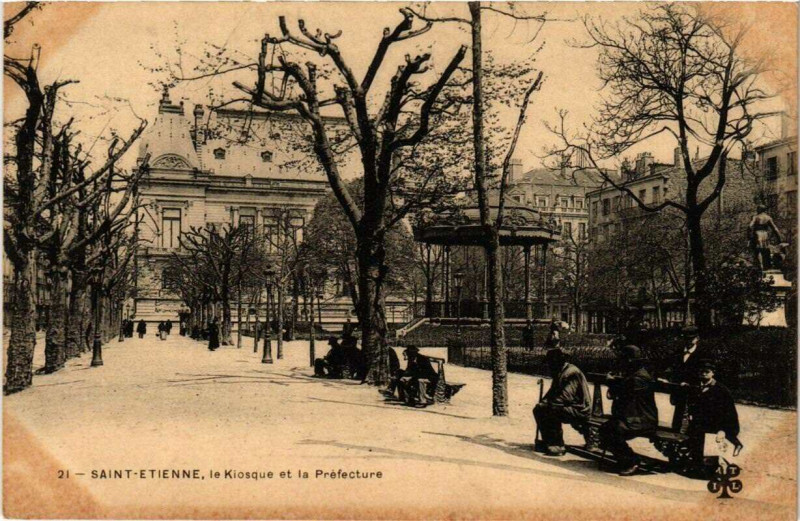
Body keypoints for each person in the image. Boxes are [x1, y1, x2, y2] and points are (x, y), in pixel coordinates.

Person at [599, 345, 658, 476]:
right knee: (606, 428)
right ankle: (624, 459)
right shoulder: (633, 375)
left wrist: (611, 382)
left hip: (643, 419)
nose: (622, 364)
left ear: (630, 362)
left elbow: (623, 392)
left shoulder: (639, 378)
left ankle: (632, 461)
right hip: (633, 417)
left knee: (613, 429)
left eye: (624, 361)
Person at [533, 348, 592, 456]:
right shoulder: (560, 371)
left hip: (579, 409)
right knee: (539, 409)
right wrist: (544, 402)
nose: (549, 367)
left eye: (551, 363)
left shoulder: (571, 372)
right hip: (569, 407)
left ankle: (557, 445)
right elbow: (551, 393)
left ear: (557, 362)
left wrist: (548, 404)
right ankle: (551, 441)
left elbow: (566, 397)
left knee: (550, 409)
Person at [687, 360, 743, 460]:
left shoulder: (721, 390)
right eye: (701, 371)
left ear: (713, 373)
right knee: (696, 445)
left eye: (707, 371)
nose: (703, 373)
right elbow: (692, 402)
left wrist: (722, 429)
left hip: (715, 423)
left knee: (711, 451)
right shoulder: (696, 386)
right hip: (699, 422)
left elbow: (728, 411)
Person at [662, 326, 705, 431]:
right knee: (678, 415)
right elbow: (671, 367)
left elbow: (704, 373)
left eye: (691, 338)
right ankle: (675, 435)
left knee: (693, 417)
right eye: (686, 339)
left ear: (697, 338)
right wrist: (667, 379)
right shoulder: (678, 352)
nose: (688, 341)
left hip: (694, 391)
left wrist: (691, 383)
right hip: (679, 390)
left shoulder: (702, 354)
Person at [749, 205, 783, 270]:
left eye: (757, 209)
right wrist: (779, 239)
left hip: (757, 235)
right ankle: (766, 267)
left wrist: (749, 236)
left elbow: (750, 226)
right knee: (766, 251)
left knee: (756, 251)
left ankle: (758, 267)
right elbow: (775, 229)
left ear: (759, 209)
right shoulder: (768, 218)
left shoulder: (755, 217)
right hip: (765, 235)